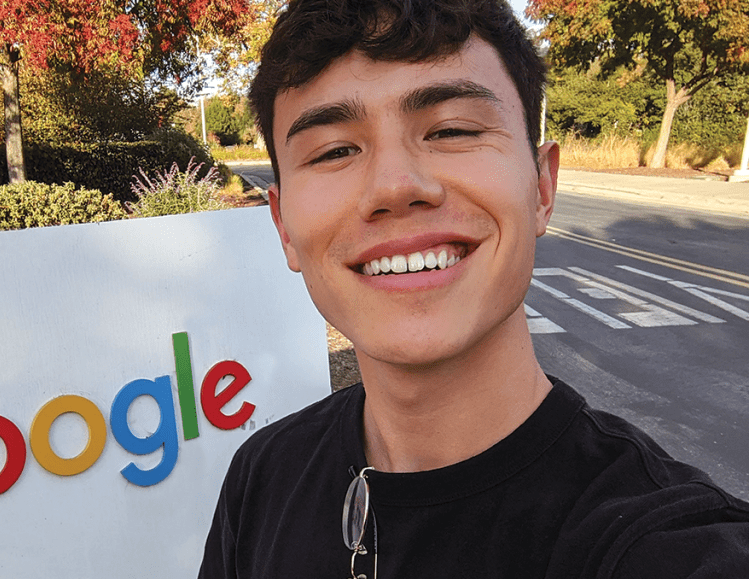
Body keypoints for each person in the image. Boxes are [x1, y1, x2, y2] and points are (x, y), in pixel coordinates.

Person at [197, 1, 749, 577]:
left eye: (452, 130)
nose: (394, 186)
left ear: (542, 187)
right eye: (335, 150)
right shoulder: (261, 479)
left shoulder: (667, 546)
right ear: (284, 228)